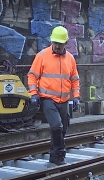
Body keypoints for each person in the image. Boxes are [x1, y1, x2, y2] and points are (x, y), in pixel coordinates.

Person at [28, 26, 80, 164]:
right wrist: (34, 94)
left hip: (64, 100)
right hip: (47, 99)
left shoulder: (70, 59)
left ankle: (54, 157)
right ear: (51, 41)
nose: (57, 46)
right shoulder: (42, 56)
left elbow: (74, 79)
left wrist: (76, 97)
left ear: (66, 43)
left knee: (62, 129)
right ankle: (60, 152)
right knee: (56, 126)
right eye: (55, 42)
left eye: (60, 43)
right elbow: (32, 76)